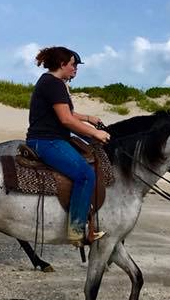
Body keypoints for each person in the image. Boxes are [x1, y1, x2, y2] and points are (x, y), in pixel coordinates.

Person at [26, 46, 110, 246]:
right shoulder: (53, 84)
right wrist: (95, 133)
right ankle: (76, 230)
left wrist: (89, 119)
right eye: (73, 65)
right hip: (47, 141)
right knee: (85, 174)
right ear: (62, 64)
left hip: (51, 139)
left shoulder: (54, 82)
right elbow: (66, 120)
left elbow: (68, 113)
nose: (75, 69)